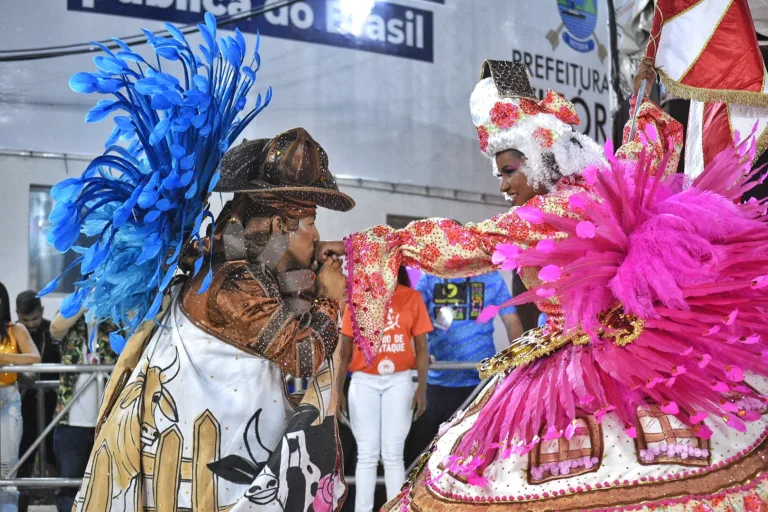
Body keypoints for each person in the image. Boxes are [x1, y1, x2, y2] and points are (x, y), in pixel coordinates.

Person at [319, 59, 768, 510]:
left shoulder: (536, 219)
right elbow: (645, 147)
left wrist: (368, 244)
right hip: (650, 355)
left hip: (580, 371)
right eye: (500, 174)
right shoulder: (603, 186)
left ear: (539, 159)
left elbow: (458, 245)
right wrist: (645, 101)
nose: (504, 185)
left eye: (510, 170)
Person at [337, 266, 432, 512]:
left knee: (393, 454)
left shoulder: (412, 298)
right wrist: (337, 391)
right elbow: (344, 349)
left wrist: (421, 388)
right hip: (363, 380)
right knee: (367, 454)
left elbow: (422, 348)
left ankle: (396, 509)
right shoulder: (357, 300)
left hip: (399, 380)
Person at [415, 271, 522, 439]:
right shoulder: (430, 277)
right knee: (437, 449)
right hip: (440, 382)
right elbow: (412, 320)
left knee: (479, 448)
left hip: (482, 382)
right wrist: (419, 352)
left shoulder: (490, 276)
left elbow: (512, 322)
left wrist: (519, 362)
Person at [49, 310, 117, 512]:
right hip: (71, 419)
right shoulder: (70, 318)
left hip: (108, 418)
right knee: (70, 484)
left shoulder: (112, 318)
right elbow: (55, 329)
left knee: (109, 483)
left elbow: (132, 327)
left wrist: (108, 301)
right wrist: (81, 301)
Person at [0, 283, 41, 512]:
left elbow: (34, 357)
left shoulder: (15, 329)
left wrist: (3, 358)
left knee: (7, 469)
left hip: (7, 397)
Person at [14, 290, 58, 487]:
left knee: (54, 454)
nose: (31, 324)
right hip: (22, 403)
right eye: (25, 320)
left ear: (42, 310)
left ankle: (57, 496)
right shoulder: (12, 334)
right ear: (16, 314)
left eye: (35, 318)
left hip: (53, 403)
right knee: (22, 456)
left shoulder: (53, 331)